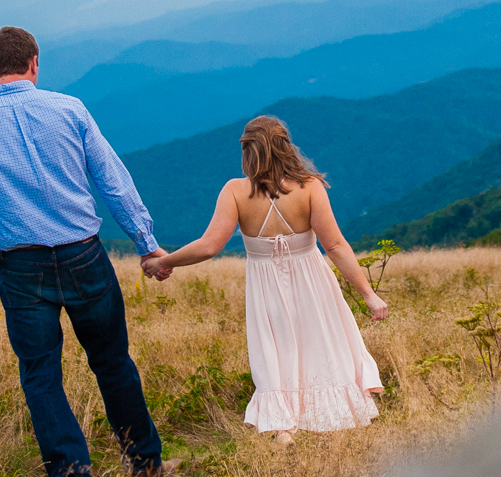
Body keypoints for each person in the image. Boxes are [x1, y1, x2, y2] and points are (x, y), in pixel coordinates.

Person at [0, 26, 175, 477]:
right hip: (84, 256)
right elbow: (113, 181)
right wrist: (146, 243)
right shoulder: (70, 109)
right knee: (112, 363)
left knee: (40, 375)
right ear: (34, 62)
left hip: (20, 266)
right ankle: (146, 466)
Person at [145, 115, 386, 443]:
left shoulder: (235, 191)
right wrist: (368, 295)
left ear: (248, 151)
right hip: (312, 282)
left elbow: (209, 245)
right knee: (321, 347)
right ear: (286, 147)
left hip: (265, 287)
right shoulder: (309, 187)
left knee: (276, 352)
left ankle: (283, 427)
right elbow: (336, 246)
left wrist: (165, 261)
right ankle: (332, 419)